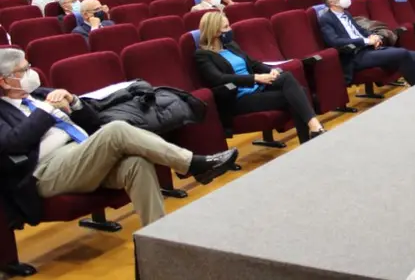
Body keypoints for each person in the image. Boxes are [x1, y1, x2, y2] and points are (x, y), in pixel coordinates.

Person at [0, 48, 239, 227]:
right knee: (116, 129)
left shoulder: (41, 94)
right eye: (23, 70)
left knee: (137, 164)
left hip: (82, 152)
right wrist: (46, 111)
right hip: (45, 172)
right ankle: (192, 164)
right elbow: (13, 143)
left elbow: (93, 124)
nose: (31, 73)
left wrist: (74, 102)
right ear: (4, 80)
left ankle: (157, 239)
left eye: (29, 66)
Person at [193, 12, 325, 143]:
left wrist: (271, 70)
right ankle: (311, 133)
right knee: (297, 93)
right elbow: (219, 79)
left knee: (287, 77)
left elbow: (253, 63)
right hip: (239, 97)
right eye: (226, 27)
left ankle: (312, 130)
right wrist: (254, 78)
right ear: (215, 32)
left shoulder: (231, 45)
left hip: (257, 87)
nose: (230, 29)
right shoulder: (202, 55)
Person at [318, 0, 415, 86]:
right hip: (355, 55)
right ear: (332, 1)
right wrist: (366, 41)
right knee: (402, 53)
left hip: (368, 49)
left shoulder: (346, 13)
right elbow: (335, 41)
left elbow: (359, 30)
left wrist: (373, 36)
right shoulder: (326, 19)